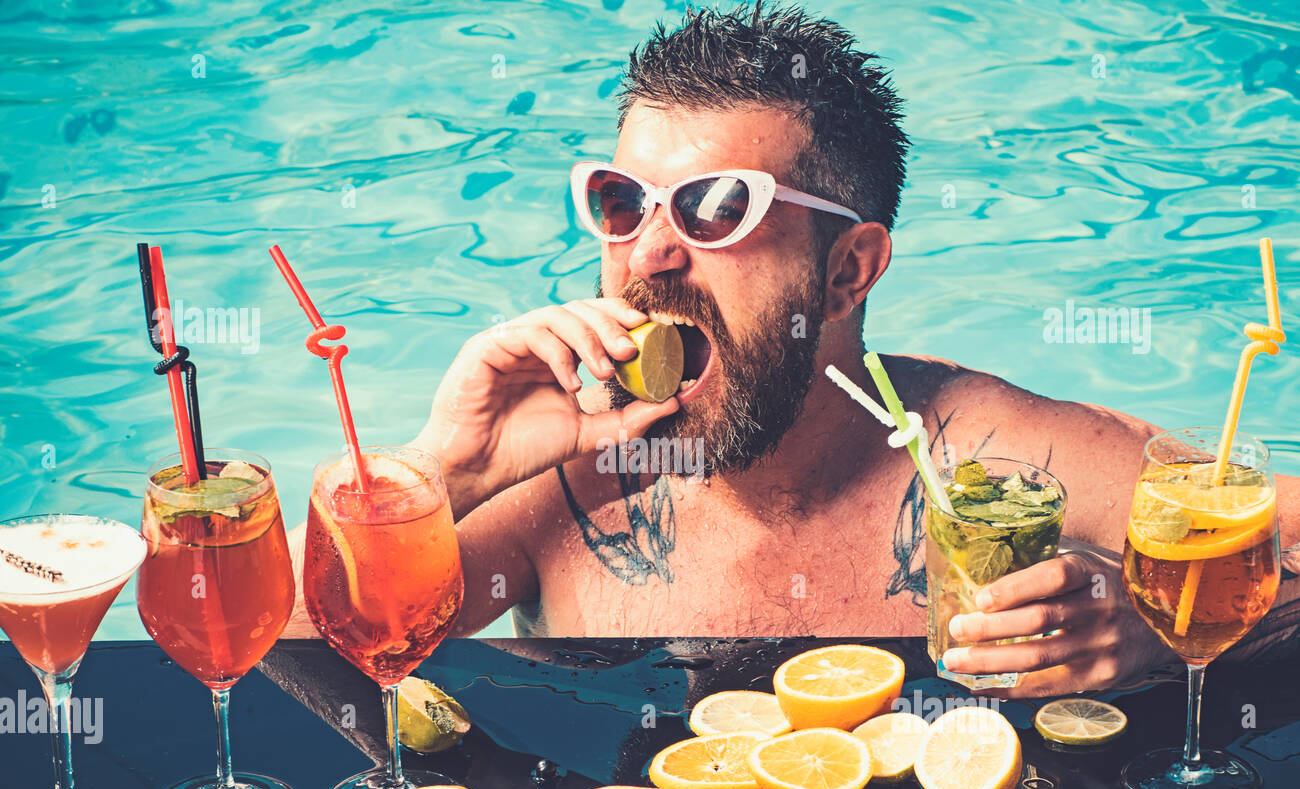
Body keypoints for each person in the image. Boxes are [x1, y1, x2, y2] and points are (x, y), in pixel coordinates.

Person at [287, 3, 1298, 698]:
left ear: (848, 269)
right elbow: (291, 640)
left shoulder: (999, 457)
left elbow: (1269, 553)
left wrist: (1159, 634)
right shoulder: (556, 478)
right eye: (620, 200)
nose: (649, 252)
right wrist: (439, 468)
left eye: (718, 207)